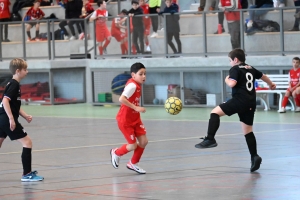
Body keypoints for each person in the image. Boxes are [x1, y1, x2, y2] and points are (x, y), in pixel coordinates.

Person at [195, 49, 276, 173]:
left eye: (230, 61)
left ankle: (210, 139)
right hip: (250, 103)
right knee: (248, 131)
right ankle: (254, 156)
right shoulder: (250, 68)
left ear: (236, 60)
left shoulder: (235, 69)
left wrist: (226, 79)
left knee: (214, 113)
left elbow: (232, 84)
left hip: (239, 100)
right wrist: (271, 84)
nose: (230, 63)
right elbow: (263, 76)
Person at [0, 58, 44, 182]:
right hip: (6, 118)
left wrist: (25, 116)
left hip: (1, 118)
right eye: (25, 69)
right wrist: (11, 119)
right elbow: (5, 101)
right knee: (27, 142)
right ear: (18, 71)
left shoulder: (12, 83)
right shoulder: (14, 84)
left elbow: (14, 105)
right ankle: (27, 174)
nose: (27, 71)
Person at [110, 62, 148, 174]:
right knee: (132, 145)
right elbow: (121, 99)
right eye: (141, 74)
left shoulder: (137, 85)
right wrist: (136, 107)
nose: (144, 76)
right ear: (133, 75)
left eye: (145, 73)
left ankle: (133, 163)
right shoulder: (132, 86)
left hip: (135, 119)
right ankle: (116, 153)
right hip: (125, 120)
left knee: (144, 141)